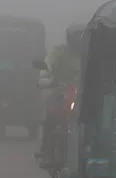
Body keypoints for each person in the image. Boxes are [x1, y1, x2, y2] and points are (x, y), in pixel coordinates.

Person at [35, 23, 86, 167]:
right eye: (75, 38)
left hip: (84, 96)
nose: (78, 41)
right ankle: (46, 150)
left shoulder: (91, 54)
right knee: (52, 115)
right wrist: (46, 78)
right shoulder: (59, 52)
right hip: (60, 93)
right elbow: (48, 65)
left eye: (81, 38)